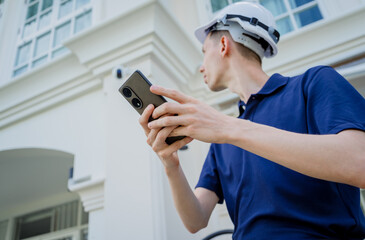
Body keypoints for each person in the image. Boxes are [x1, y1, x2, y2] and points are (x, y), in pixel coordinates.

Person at [138, 2, 365, 239]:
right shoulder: (221, 140)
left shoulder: (313, 84)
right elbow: (195, 220)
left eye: (204, 52)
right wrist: (170, 165)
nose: (201, 67)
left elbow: (360, 162)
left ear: (224, 44)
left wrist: (227, 127)